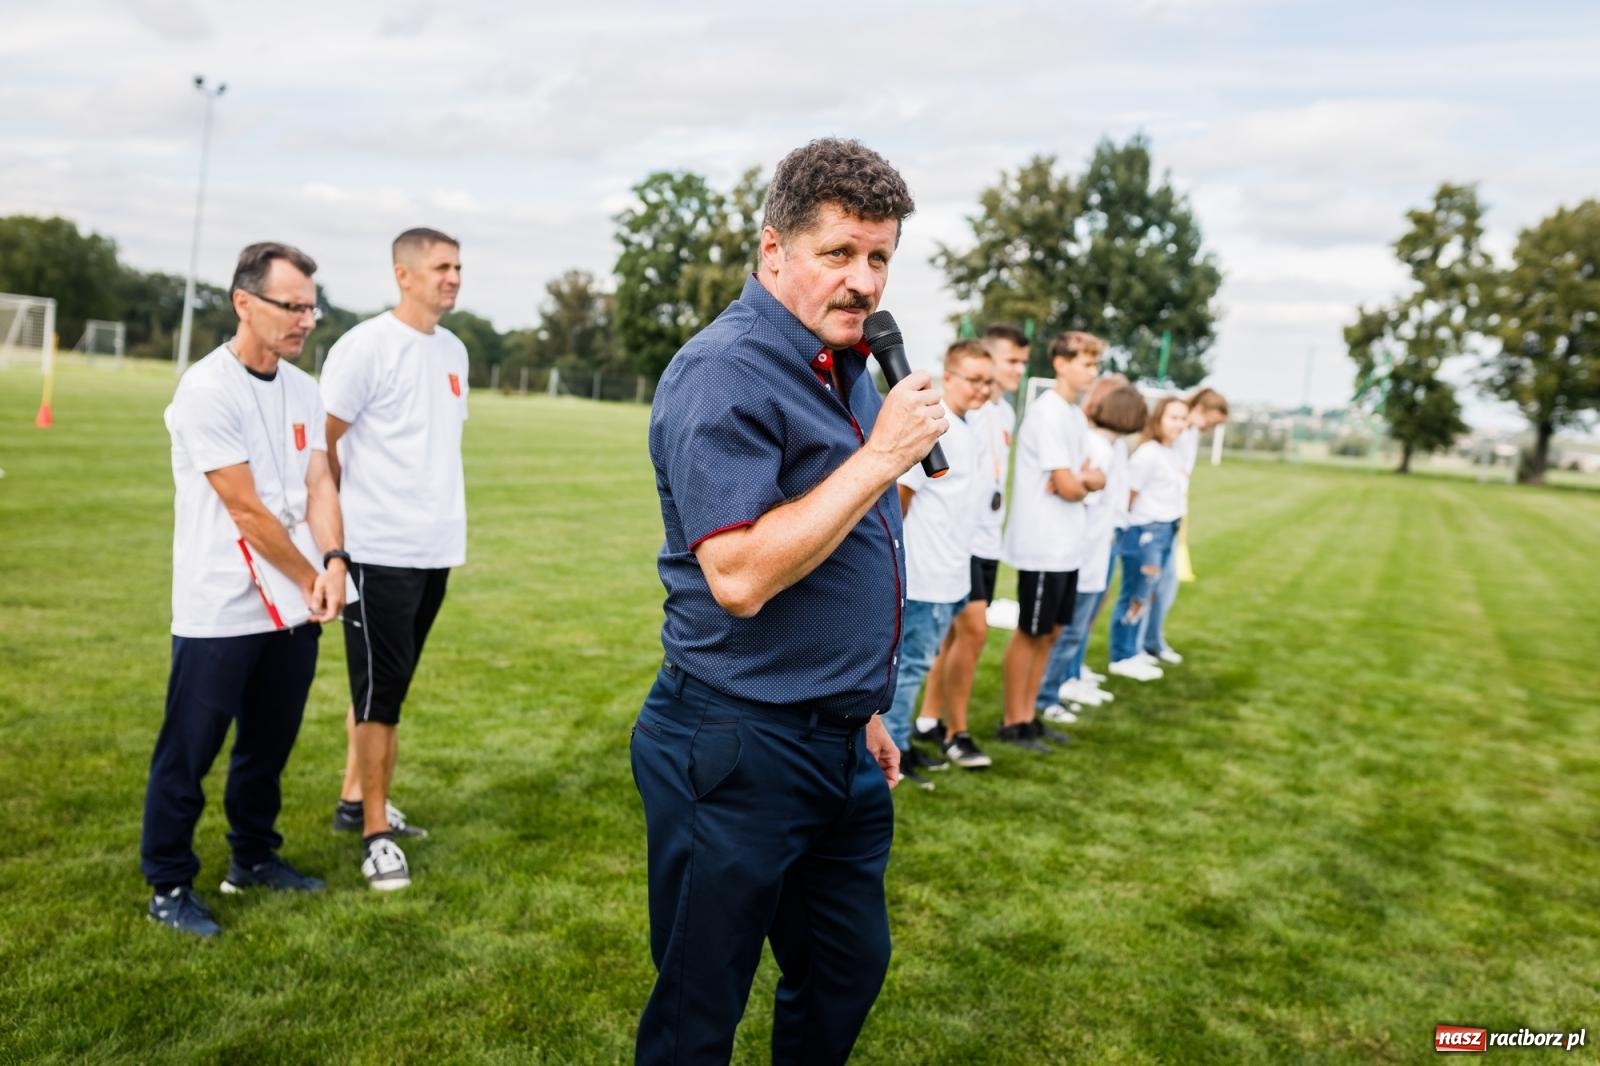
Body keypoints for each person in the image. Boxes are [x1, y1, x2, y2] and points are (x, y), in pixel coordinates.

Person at [631, 138, 936, 1066]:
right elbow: (741, 577)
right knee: (698, 1008)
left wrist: (861, 709)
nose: (864, 281)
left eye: (879, 256)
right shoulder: (724, 370)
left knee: (846, 968)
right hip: (734, 742)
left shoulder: (842, 368)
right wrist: (882, 457)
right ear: (773, 253)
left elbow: (845, 552)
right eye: (838, 253)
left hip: (839, 739)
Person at [142, 242, 346, 938]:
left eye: (311, 307)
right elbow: (248, 510)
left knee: (268, 744)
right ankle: (168, 882)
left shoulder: (303, 388)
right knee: (190, 751)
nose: (305, 320)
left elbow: (319, 482)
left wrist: (338, 560)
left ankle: (253, 858)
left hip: (297, 600)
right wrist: (313, 574)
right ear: (244, 303)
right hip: (220, 604)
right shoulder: (206, 389)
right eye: (291, 306)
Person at [320, 228, 468, 891]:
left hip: (434, 548)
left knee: (386, 688)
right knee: (381, 700)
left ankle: (357, 801)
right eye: (441, 267)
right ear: (403, 274)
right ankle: (377, 835)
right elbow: (321, 448)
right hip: (377, 552)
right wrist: (336, 543)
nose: (453, 277)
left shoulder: (455, 351)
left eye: (458, 267)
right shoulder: (365, 347)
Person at [915, 323, 1030, 770]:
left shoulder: (1003, 414)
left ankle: (929, 718)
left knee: (953, 633)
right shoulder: (967, 410)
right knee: (971, 631)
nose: (1016, 371)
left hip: (982, 536)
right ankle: (954, 731)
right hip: (959, 543)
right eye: (1010, 362)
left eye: (1023, 362)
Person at [887, 340, 994, 789]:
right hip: (926, 575)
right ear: (948, 377)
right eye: (973, 379)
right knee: (909, 664)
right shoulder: (935, 426)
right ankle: (895, 748)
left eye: (988, 381)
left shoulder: (973, 428)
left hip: (954, 573)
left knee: (921, 661)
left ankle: (902, 740)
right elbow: (900, 501)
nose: (982, 389)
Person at [996, 332, 1105, 752]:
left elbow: (1086, 478)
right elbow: (1069, 483)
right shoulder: (1047, 414)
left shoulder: (1075, 416)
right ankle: (1012, 721)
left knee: (1052, 631)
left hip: (1068, 544)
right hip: (1043, 543)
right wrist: (1083, 481)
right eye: (1085, 363)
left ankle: (1029, 716)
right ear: (1060, 363)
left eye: (1095, 365)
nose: (1092, 373)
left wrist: (1084, 481)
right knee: (1031, 630)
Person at [1034, 381, 1148, 719]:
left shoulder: (1109, 448)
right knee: (1068, 632)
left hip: (1096, 550)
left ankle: (1056, 689)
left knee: (1075, 629)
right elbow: (1083, 497)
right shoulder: (1098, 448)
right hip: (1083, 554)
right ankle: (1047, 696)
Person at [1141, 387, 1228, 665]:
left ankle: (1152, 641)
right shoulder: (1167, 441)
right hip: (1154, 522)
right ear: (1200, 409)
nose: (1212, 428)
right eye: (1212, 421)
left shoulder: (1188, 437)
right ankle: (1136, 647)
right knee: (1147, 586)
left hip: (1172, 520)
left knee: (1166, 585)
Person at [1109, 396, 1191, 679]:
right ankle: (1120, 654)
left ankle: (1133, 650)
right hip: (1145, 531)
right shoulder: (1148, 453)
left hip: (1167, 528)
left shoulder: (1173, 453)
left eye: (1183, 418)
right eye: (1173, 418)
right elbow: (1130, 494)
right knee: (1134, 592)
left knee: (1146, 594)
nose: (1179, 424)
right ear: (1158, 419)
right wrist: (1130, 533)